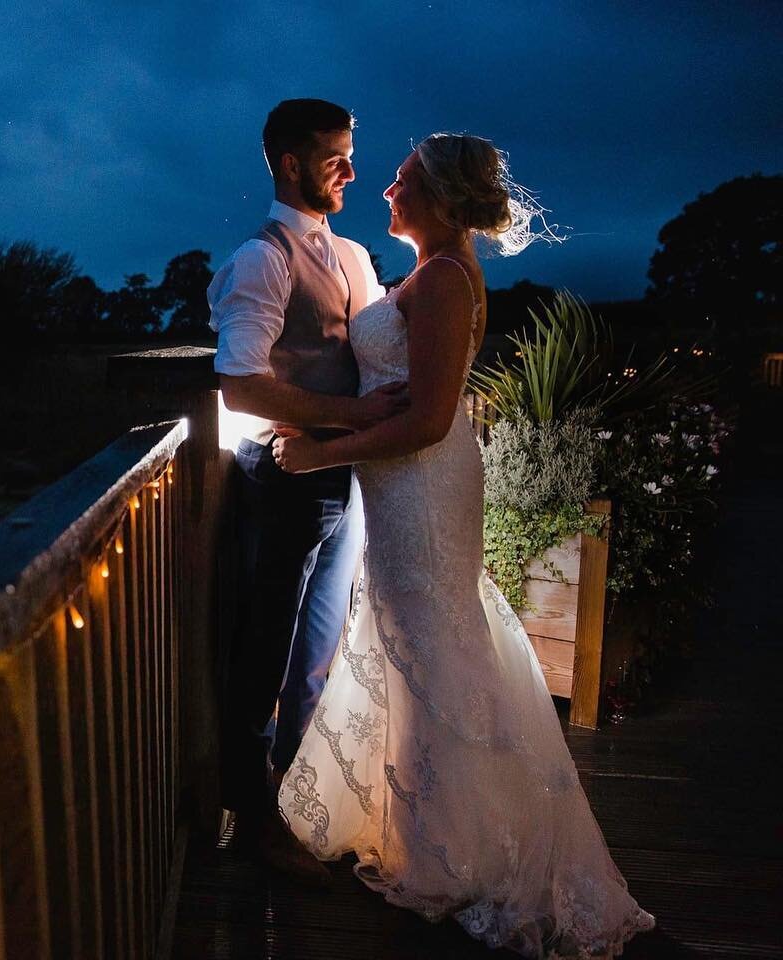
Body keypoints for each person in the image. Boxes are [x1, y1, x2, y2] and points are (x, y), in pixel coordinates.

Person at [272, 133, 655, 957]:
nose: (384, 191)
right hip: (405, 483)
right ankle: (424, 825)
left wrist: (319, 452)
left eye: (402, 180)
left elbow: (431, 420)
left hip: (422, 481)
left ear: (441, 198)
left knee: (433, 640)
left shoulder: (445, 278)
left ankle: (459, 849)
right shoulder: (428, 274)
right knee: (420, 637)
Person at [208, 98, 404, 879]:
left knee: (317, 652)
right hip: (285, 476)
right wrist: (347, 415)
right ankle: (252, 820)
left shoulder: (355, 255)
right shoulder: (262, 259)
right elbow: (239, 384)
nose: (352, 171)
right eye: (335, 158)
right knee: (267, 647)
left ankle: (298, 800)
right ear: (291, 165)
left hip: (345, 473)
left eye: (352, 155)